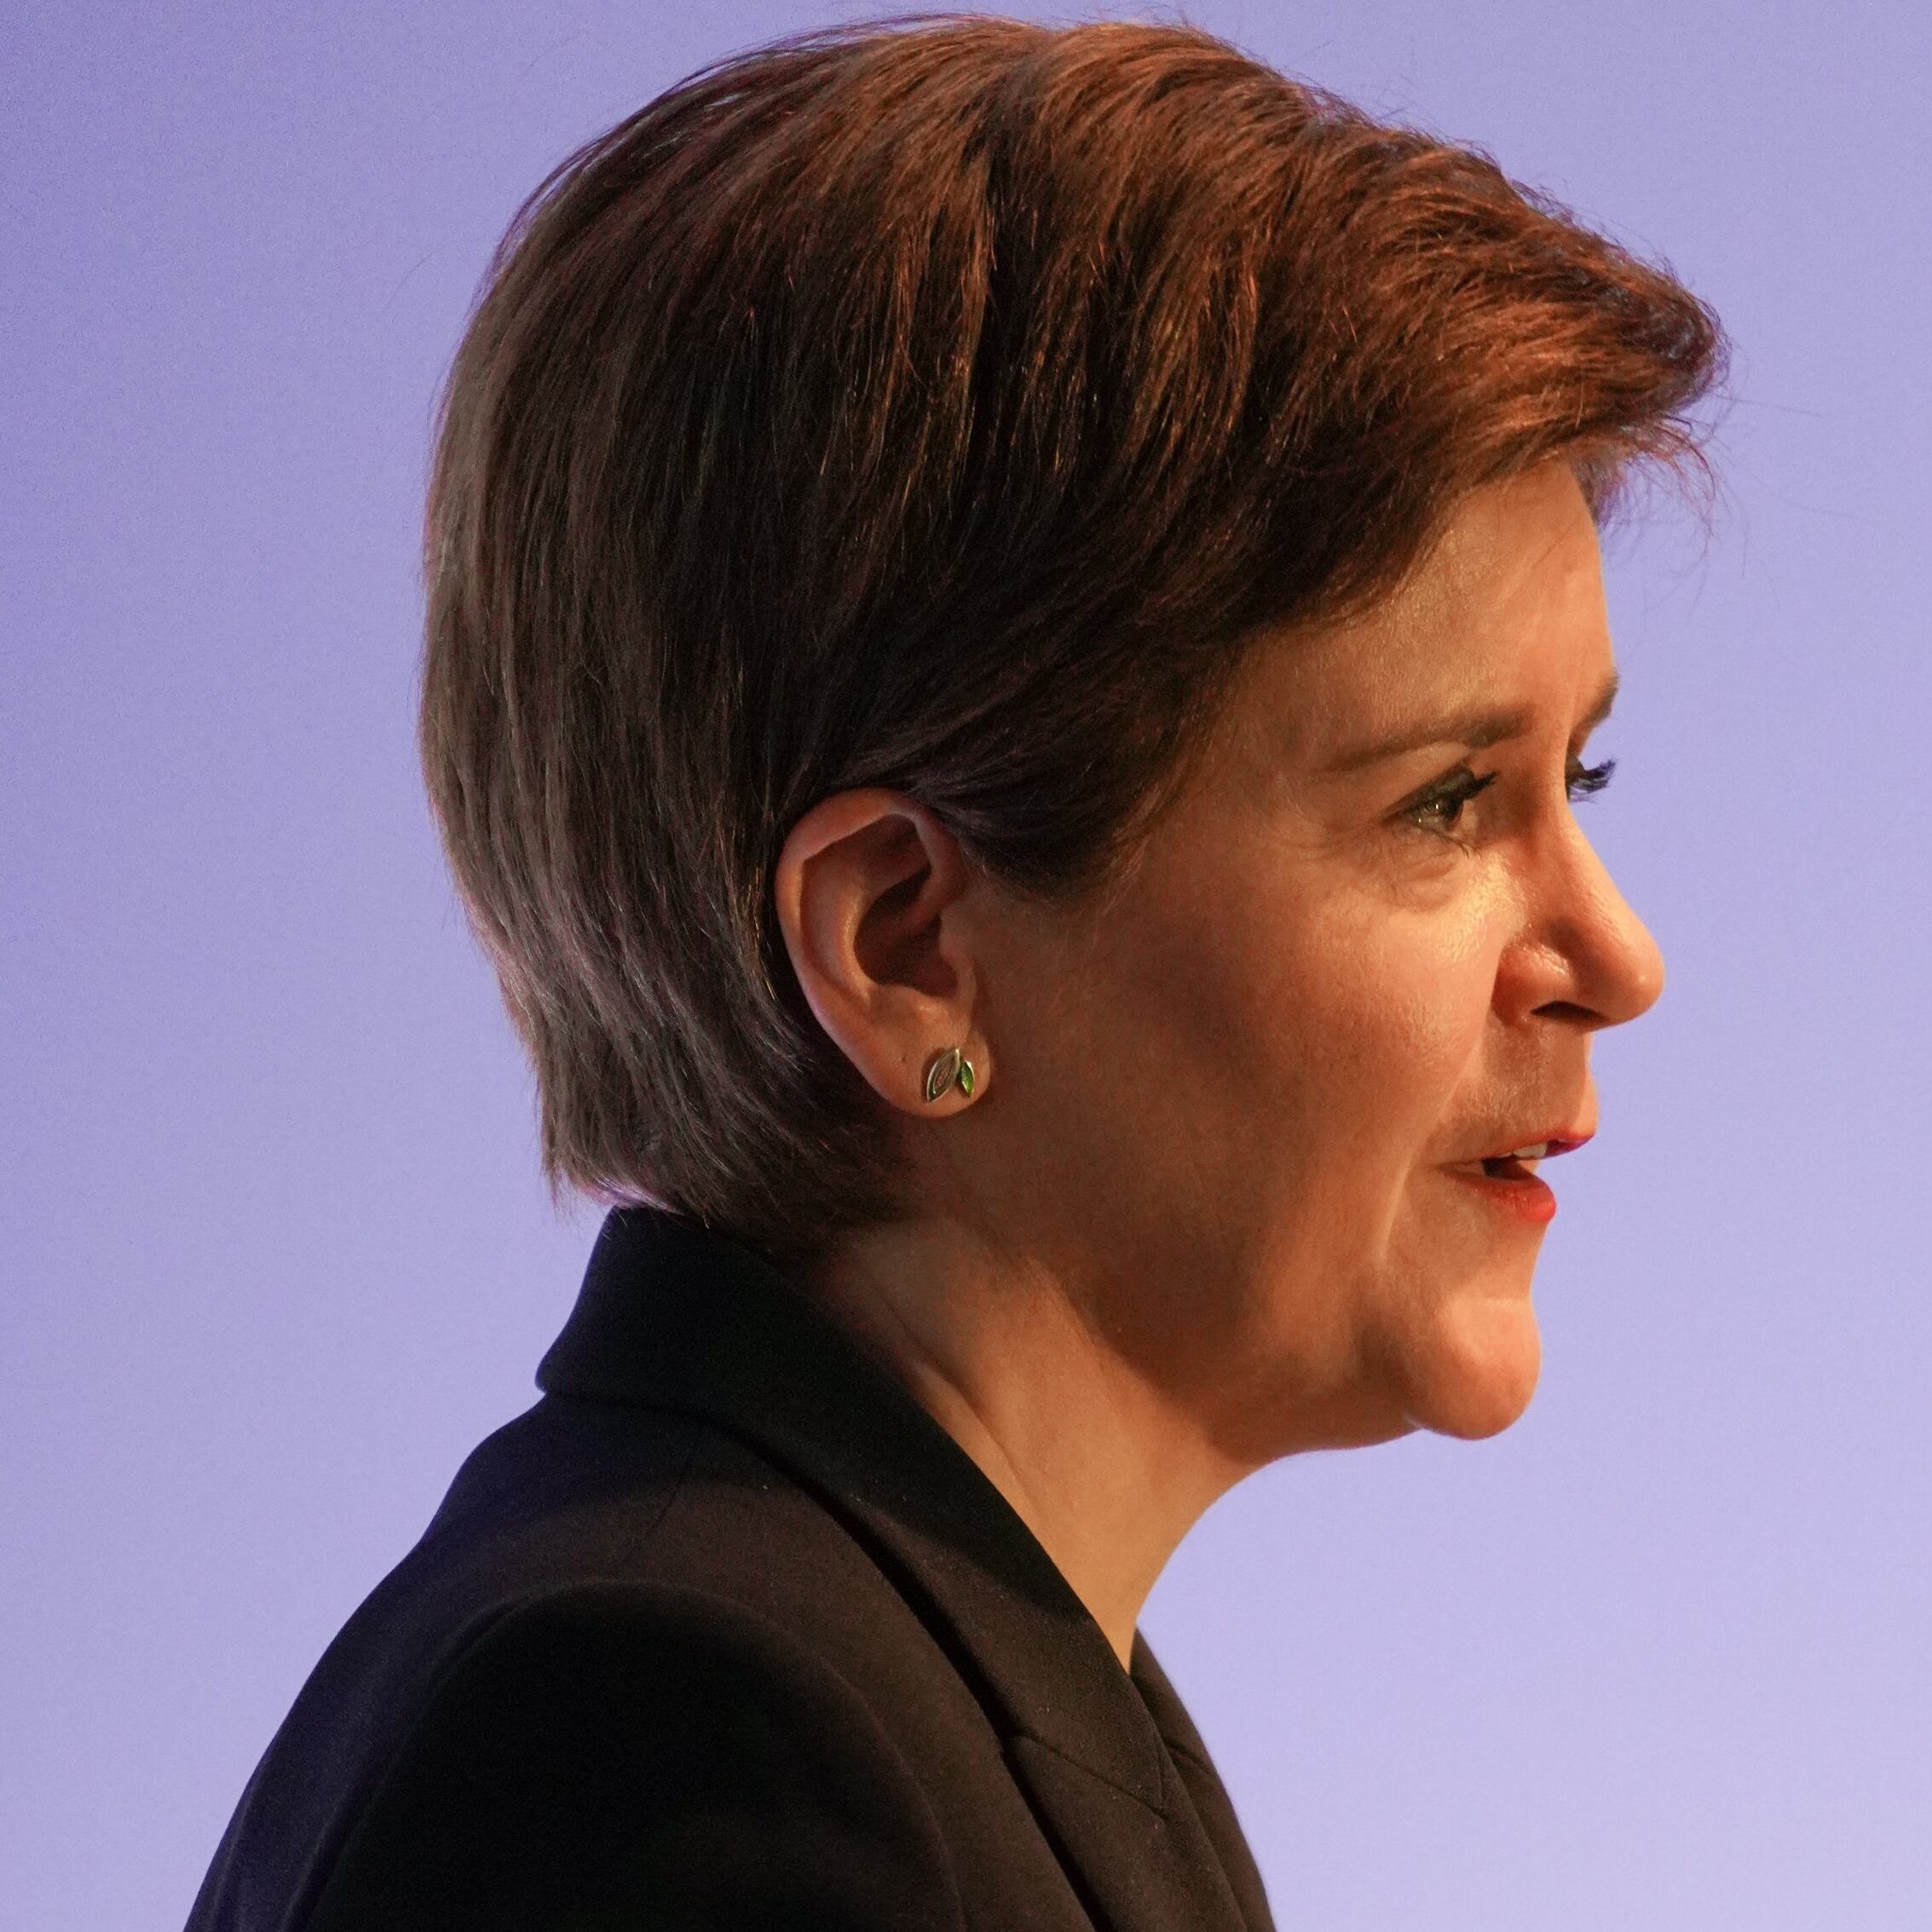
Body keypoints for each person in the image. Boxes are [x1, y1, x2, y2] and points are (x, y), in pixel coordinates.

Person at [187, 19, 1721, 1930]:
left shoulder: (937, 1679)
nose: (1615, 958)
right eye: (1444, 802)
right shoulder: (696, 1749)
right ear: (905, 947)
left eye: (1580, 779)